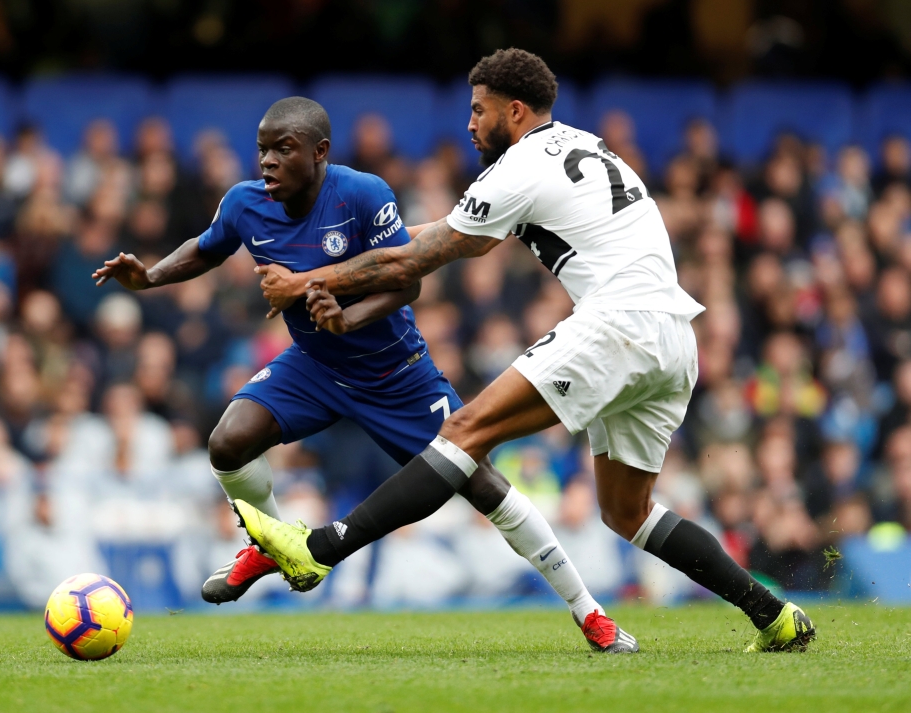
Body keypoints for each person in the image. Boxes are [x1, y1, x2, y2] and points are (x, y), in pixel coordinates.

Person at [245, 49, 815, 653]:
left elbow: (414, 260)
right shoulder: (584, 145)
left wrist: (308, 281)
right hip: (674, 336)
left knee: (463, 432)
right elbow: (429, 234)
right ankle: (774, 616)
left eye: (479, 110)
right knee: (628, 512)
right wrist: (339, 258)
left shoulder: (518, 167)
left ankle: (320, 550)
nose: (469, 124)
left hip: (618, 324)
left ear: (514, 111)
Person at [92, 96, 636, 653]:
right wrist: (151, 277)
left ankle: (589, 611)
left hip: (397, 375)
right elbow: (206, 249)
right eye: (262, 149)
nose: (268, 161)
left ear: (320, 152)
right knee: (228, 442)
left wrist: (346, 318)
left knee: (484, 487)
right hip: (315, 364)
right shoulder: (244, 203)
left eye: (284, 149)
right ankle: (277, 548)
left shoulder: (363, 194)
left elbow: (407, 282)